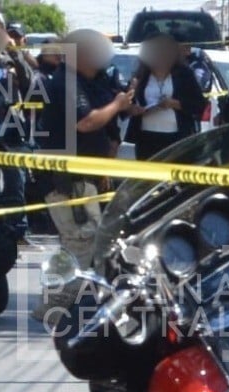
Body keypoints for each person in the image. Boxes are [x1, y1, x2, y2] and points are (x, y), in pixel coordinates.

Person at [37, 28, 133, 268]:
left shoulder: (84, 82)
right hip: (68, 182)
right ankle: (54, 305)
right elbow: (86, 122)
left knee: (90, 249)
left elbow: (107, 127)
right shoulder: (66, 82)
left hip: (84, 179)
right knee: (80, 248)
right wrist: (117, 104)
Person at [123, 32, 206, 160]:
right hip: (146, 136)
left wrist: (175, 104)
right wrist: (132, 108)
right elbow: (127, 105)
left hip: (176, 136)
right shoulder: (141, 75)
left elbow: (199, 104)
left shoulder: (184, 74)